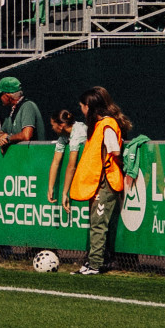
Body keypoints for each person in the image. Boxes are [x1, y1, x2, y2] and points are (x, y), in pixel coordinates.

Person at [67, 87, 127, 276]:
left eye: (83, 106)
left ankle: (95, 264)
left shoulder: (107, 124)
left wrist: (112, 161)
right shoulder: (100, 125)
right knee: (97, 223)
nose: (81, 110)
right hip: (99, 181)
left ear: (89, 107)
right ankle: (95, 261)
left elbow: (115, 151)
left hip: (106, 181)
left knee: (98, 224)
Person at [0, 77, 44, 147]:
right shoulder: (11, 110)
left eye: (0, 95)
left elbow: (26, 135)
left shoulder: (28, 106)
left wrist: (7, 138)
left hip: (34, 155)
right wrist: (0, 137)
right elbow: (1, 132)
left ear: (7, 96)